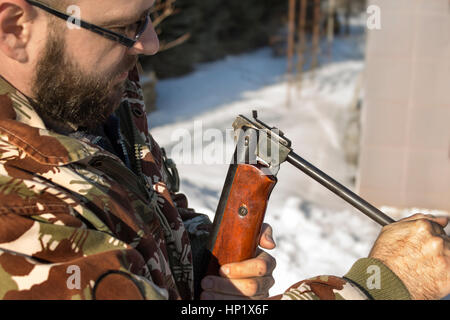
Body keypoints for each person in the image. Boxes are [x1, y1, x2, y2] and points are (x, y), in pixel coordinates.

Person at [0, 0, 448, 300]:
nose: (151, 43)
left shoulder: (84, 93)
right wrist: (380, 287)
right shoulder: (13, 212)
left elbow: (133, 200)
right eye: (124, 27)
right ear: (14, 28)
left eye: (149, 15)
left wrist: (199, 257)